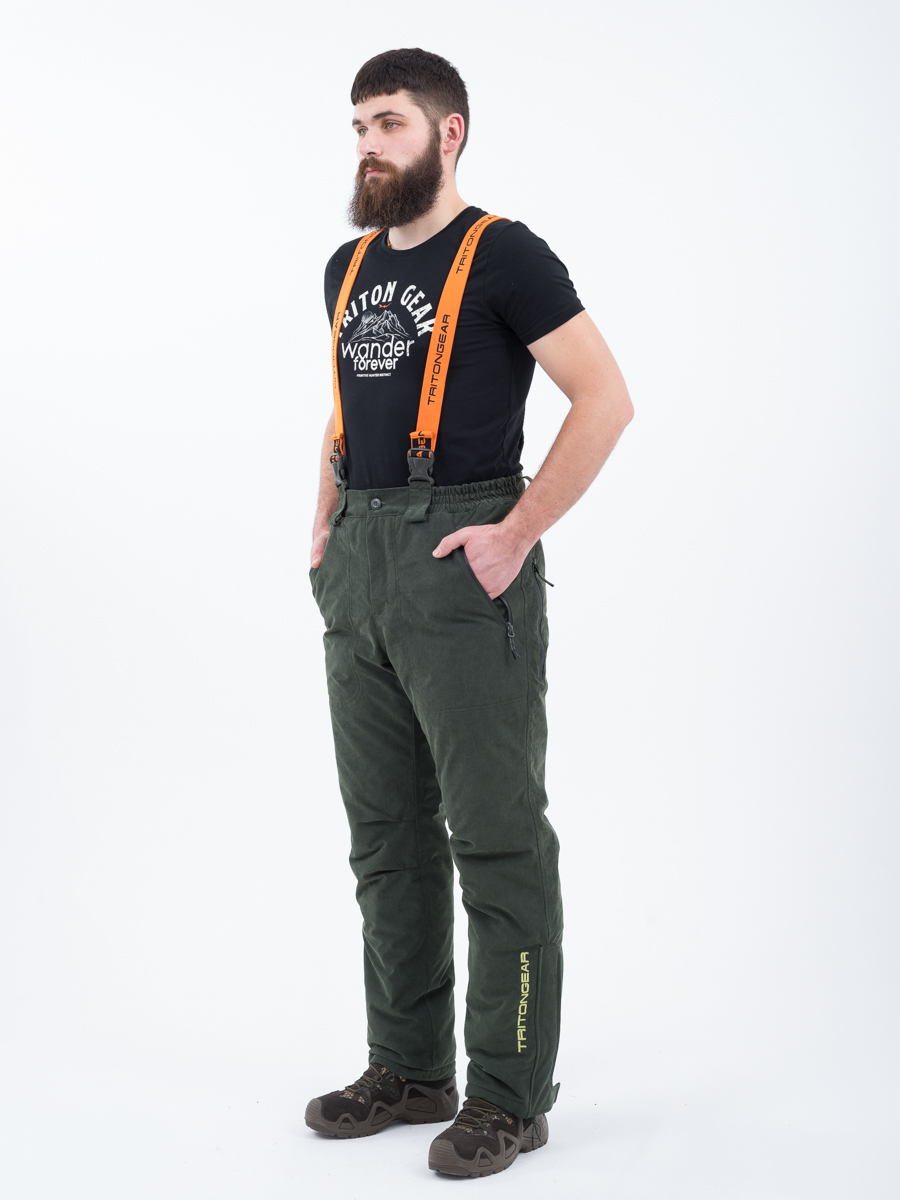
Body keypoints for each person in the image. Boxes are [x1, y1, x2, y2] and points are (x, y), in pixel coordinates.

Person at [304, 47, 633, 1179]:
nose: (368, 144)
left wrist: (518, 530)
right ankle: (409, 1069)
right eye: (358, 125)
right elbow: (347, 410)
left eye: (388, 122)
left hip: (462, 563)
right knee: (386, 841)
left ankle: (507, 1094)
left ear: (448, 133)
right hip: (360, 568)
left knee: (494, 837)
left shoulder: (507, 255)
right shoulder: (347, 266)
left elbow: (606, 397)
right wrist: (323, 522)